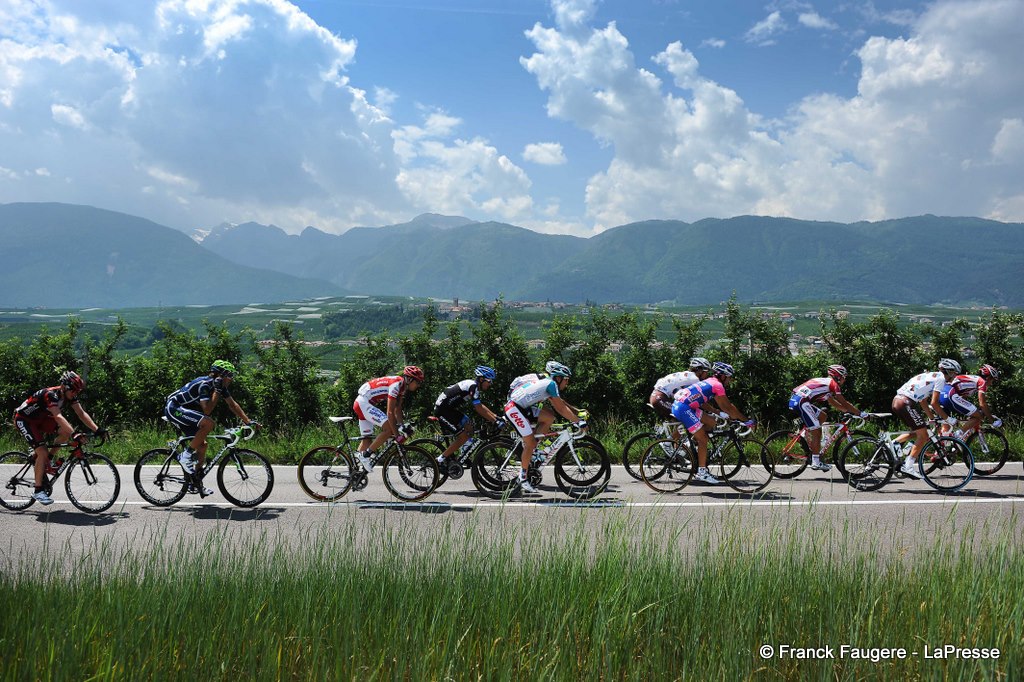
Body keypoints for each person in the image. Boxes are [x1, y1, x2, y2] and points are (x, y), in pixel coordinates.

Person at [165, 360, 258, 496]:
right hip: (174, 408)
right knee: (208, 423)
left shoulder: (219, 386)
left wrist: (248, 422)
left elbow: (233, 405)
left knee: (202, 446)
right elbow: (207, 410)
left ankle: (194, 484)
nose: (232, 379)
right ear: (221, 375)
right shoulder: (205, 385)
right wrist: (216, 391)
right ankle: (186, 456)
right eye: (230, 375)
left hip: (185, 410)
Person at [12, 371, 105, 505]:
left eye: (77, 391)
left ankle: (47, 461)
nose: (75, 394)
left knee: (65, 432)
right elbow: (58, 416)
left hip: (41, 419)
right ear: (65, 387)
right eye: (74, 391)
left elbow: (81, 413)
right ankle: (38, 491)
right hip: (25, 420)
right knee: (42, 451)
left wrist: (97, 429)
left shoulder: (69, 396)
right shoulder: (51, 395)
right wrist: (75, 434)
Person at [504, 360, 585, 494]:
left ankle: (532, 451)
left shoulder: (548, 382)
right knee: (529, 443)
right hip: (514, 409)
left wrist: (575, 415)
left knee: (549, 417)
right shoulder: (550, 384)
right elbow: (561, 408)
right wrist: (578, 421)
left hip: (521, 407)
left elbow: (560, 404)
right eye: (566, 380)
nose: (567, 383)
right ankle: (523, 479)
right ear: (558, 378)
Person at [671, 361, 755, 484]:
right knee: (703, 439)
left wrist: (721, 413)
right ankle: (702, 472)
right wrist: (746, 420)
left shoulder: (710, 382)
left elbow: (704, 401)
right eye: (729, 378)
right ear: (722, 376)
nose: (729, 381)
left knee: (711, 421)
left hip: (687, 406)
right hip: (684, 408)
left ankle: (689, 448)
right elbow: (728, 407)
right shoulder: (717, 386)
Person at [788, 365, 868, 473]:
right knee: (817, 430)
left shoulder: (825, 384)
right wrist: (861, 413)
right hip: (801, 401)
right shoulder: (833, 384)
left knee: (823, 416)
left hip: (798, 399)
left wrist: (847, 411)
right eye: (844, 377)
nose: (844, 380)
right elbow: (843, 402)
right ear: (838, 376)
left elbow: (834, 403)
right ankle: (816, 462)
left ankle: (803, 437)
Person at [890, 358, 960, 478]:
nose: (954, 377)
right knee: (924, 436)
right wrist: (949, 419)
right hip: (906, 402)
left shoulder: (932, 376)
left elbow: (923, 401)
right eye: (954, 373)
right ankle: (908, 466)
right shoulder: (941, 379)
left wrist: (932, 418)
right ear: (948, 371)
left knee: (920, 431)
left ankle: (893, 444)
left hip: (898, 401)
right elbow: (934, 403)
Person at [433, 365, 504, 474]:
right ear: (481, 379)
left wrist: (495, 416)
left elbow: (480, 405)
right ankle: (439, 460)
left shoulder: (473, 386)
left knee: (469, 425)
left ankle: (463, 455)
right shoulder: (473, 386)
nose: (490, 384)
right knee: (463, 436)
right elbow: (478, 409)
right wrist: (495, 421)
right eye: (489, 381)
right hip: (442, 411)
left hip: (449, 409)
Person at [353, 365, 424, 471]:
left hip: (363, 403)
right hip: (363, 403)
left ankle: (353, 473)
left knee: (366, 441)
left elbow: (398, 408)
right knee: (389, 429)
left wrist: (401, 426)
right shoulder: (396, 385)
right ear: (409, 379)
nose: (419, 385)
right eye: (418, 382)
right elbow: (390, 412)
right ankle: (366, 455)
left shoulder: (403, 387)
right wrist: (396, 434)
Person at [937, 363, 1002, 439]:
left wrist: (970, 414)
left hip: (941, 395)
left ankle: (944, 447)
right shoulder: (982, 382)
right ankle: (957, 435)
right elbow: (982, 404)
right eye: (992, 380)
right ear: (988, 378)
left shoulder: (972, 381)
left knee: (946, 430)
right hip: (949, 394)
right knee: (978, 416)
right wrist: (992, 420)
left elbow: (963, 399)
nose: (991, 384)